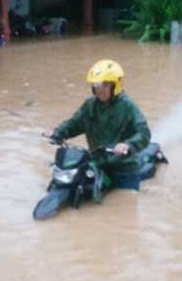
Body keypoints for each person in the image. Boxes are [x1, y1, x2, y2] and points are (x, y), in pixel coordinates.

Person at [49, 59, 151, 199]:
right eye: (96, 85)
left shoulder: (128, 106)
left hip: (124, 169)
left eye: (106, 84)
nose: (100, 89)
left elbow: (144, 133)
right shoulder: (90, 105)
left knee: (125, 205)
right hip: (98, 164)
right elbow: (74, 124)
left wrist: (127, 145)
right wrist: (57, 133)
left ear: (116, 85)